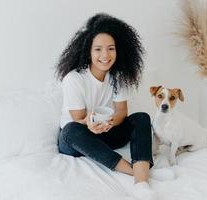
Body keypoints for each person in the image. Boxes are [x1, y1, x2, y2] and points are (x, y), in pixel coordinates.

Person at [56, 13, 155, 199]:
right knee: (70, 130)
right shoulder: (74, 79)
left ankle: (142, 185)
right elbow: (78, 118)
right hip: (77, 139)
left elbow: (122, 112)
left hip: (105, 132)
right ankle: (137, 173)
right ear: (88, 52)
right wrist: (91, 124)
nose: (105, 55)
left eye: (111, 49)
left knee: (141, 117)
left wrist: (110, 122)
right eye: (98, 49)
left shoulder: (118, 78)